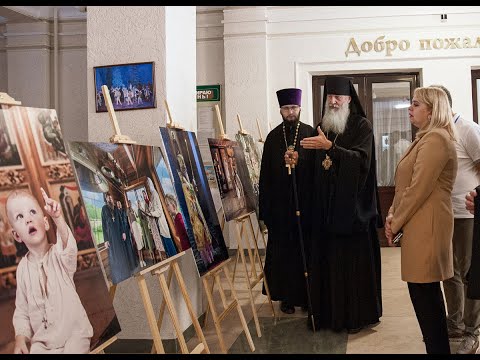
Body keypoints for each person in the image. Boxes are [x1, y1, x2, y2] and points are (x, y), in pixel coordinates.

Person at [300, 75, 382, 332]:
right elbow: (312, 167)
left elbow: (361, 162)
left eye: (338, 97)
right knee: (326, 264)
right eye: (330, 97)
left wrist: (331, 149)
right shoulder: (322, 126)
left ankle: (354, 318)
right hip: (325, 213)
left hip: (351, 214)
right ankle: (326, 315)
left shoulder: (362, 126)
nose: (333, 102)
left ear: (348, 99)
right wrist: (296, 160)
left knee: (351, 268)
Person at [385, 86, 457, 354]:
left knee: (426, 297)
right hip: (418, 225)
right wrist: (393, 213)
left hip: (428, 227)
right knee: (422, 294)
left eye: (415, 104)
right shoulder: (424, 138)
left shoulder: (436, 139)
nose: (410, 108)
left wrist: (395, 221)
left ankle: (438, 350)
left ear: (432, 109)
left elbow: (418, 189)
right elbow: (404, 185)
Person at [7, 188, 93, 353]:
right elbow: (22, 311)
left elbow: (69, 248)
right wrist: (20, 337)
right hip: (43, 343)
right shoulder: (22, 270)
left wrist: (58, 218)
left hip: (74, 335)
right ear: (17, 236)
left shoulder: (60, 254)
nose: (28, 220)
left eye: (32, 212)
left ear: (45, 223)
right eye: (20, 216)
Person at [429, 85, 480, 354]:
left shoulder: (468, 129)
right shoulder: (436, 133)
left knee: (471, 273)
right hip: (443, 214)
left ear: (444, 105)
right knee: (449, 272)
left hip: (467, 213)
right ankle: (455, 323)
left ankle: (473, 331)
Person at [259, 87, 314, 314]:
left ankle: (307, 296)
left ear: (300, 108)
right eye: (286, 108)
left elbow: (317, 170)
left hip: (306, 204)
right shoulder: (273, 138)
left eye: (294, 108)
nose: (290, 112)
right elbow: (265, 176)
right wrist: (265, 210)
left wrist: (300, 162)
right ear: (280, 110)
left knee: (306, 251)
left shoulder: (310, 133)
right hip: (281, 208)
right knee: (284, 254)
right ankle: (286, 297)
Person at [101, 192, 132, 284]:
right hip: (111, 237)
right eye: (108, 197)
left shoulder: (116, 209)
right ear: (105, 199)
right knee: (115, 257)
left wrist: (123, 232)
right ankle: (119, 277)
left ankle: (125, 274)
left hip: (119, 234)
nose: (110, 198)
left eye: (110, 197)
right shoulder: (104, 209)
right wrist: (105, 240)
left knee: (122, 254)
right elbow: (103, 225)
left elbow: (121, 221)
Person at [116, 200, 138, 272]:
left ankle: (134, 264)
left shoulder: (124, 211)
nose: (119, 205)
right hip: (122, 233)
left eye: (120, 203)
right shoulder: (117, 213)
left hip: (127, 230)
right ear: (117, 205)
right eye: (118, 204)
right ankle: (129, 267)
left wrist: (131, 228)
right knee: (126, 249)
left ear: (121, 205)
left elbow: (128, 219)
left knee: (130, 246)